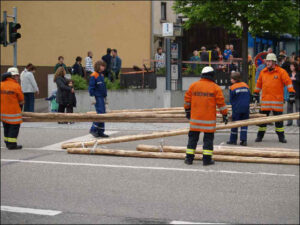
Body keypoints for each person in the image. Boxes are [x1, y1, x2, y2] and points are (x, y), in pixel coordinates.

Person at [183, 66, 228, 166]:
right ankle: (206, 160)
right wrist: (225, 114)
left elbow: (187, 100)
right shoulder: (215, 88)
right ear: (212, 75)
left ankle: (189, 159)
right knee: (208, 140)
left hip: (195, 120)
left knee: (192, 139)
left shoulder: (193, 86)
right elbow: (221, 103)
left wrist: (187, 110)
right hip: (208, 121)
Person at [253, 53, 295, 143]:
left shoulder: (281, 72)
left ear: (274, 62)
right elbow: (258, 84)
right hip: (265, 101)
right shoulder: (263, 72)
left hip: (277, 101)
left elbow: (288, 82)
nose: (267, 63)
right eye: (267, 61)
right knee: (263, 121)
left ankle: (281, 137)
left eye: (269, 61)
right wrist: (256, 93)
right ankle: (259, 136)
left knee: (279, 121)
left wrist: (291, 92)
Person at [0, 68, 24, 150]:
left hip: (3, 113)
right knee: (13, 129)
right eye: (16, 75)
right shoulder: (16, 86)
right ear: (12, 76)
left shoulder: (1, 84)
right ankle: (12, 144)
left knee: (6, 128)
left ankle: (7, 143)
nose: (18, 77)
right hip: (13, 113)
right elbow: (21, 100)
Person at [227, 72, 251, 146]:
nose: (230, 80)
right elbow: (249, 96)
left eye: (231, 79)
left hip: (237, 108)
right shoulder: (246, 85)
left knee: (235, 124)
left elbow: (231, 99)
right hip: (246, 108)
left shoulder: (233, 87)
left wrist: (233, 108)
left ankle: (233, 140)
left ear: (234, 79)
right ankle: (243, 140)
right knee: (244, 124)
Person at [89, 60, 109, 138]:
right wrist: (92, 97)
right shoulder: (94, 75)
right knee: (100, 113)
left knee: (103, 114)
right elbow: (91, 87)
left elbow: (103, 87)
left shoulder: (101, 75)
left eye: (104, 66)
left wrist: (106, 97)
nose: (103, 67)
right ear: (98, 66)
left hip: (102, 96)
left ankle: (100, 131)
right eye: (102, 66)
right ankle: (93, 129)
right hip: (97, 97)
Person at [286, 62, 300, 126]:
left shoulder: (298, 74)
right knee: (289, 108)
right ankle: (289, 122)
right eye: (290, 66)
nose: (291, 67)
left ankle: (299, 122)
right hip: (290, 93)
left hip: (297, 93)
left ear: (295, 67)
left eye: (292, 66)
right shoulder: (288, 74)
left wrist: (295, 79)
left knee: (298, 108)